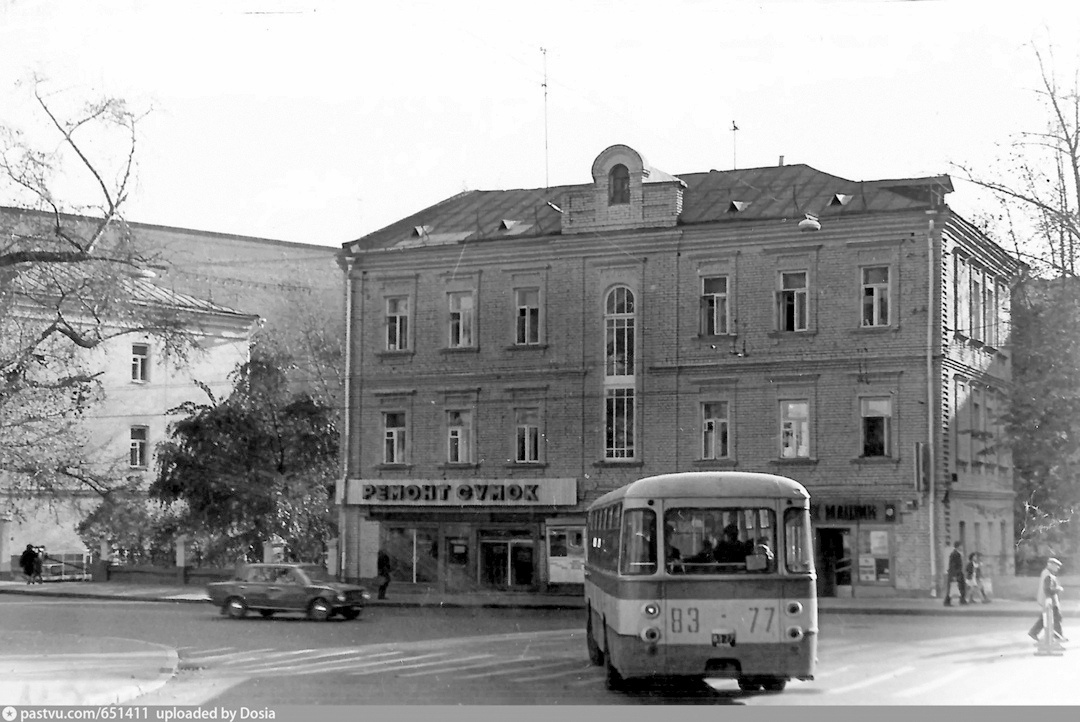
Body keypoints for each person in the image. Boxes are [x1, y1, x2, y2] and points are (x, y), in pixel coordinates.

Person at [1028, 557, 1067, 644]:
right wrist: (1058, 589)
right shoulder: (1048, 575)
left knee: (1045, 618)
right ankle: (1058, 636)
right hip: (1049, 601)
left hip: (1047, 600)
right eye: (1056, 566)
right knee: (1056, 617)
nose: (1058, 568)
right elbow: (1048, 589)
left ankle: (1033, 632)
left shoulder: (1047, 573)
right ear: (1051, 565)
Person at [944, 541, 967, 606]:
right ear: (958, 546)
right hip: (956, 573)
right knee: (953, 587)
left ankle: (962, 600)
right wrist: (954, 575)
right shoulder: (955, 554)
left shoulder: (958, 553)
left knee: (961, 587)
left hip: (958, 573)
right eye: (961, 546)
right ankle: (947, 601)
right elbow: (952, 565)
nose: (962, 547)